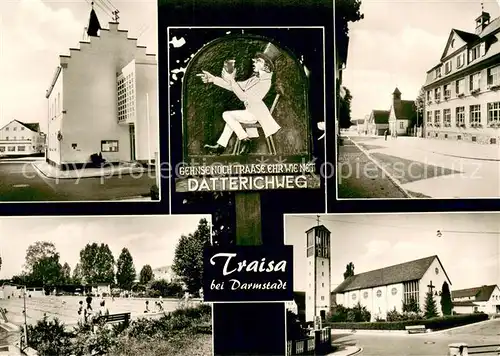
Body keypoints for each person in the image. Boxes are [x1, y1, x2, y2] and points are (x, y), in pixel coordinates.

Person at [198, 42, 282, 155]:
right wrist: (213, 79)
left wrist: (231, 80)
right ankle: (221, 146)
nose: (254, 62)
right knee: (231, 120)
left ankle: (245, 139)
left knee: (227, 115)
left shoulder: (265, 82)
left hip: (257, 115)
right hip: (251, 112)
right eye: (255, 60)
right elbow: (234, 87)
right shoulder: (255, 79)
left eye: (258, 61)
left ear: (266, 66)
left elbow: (243, 97)